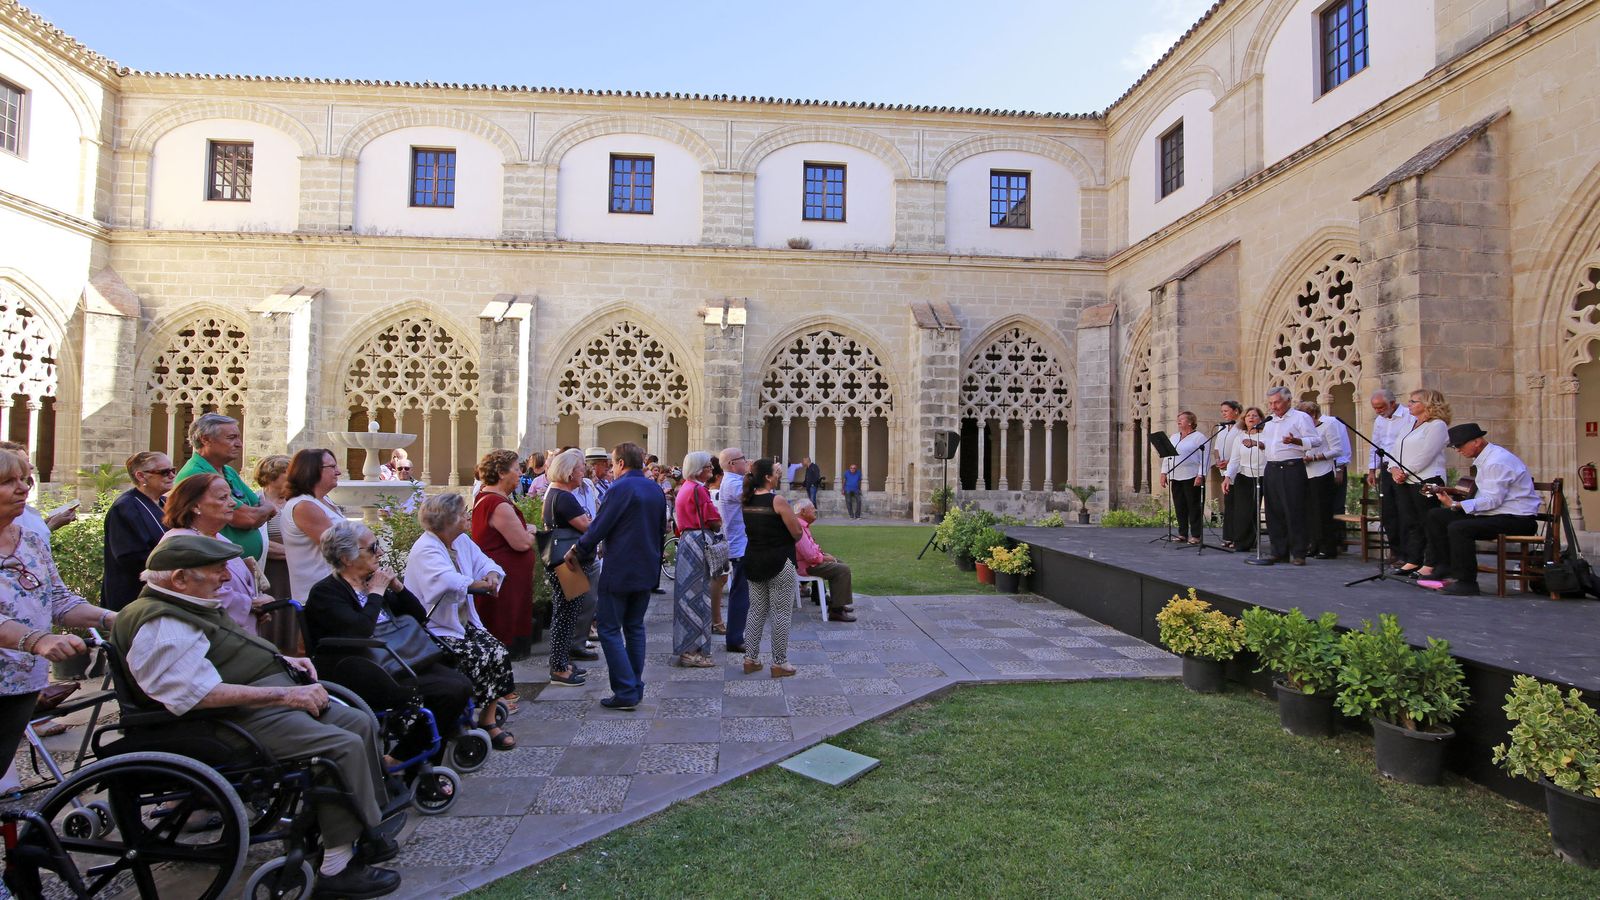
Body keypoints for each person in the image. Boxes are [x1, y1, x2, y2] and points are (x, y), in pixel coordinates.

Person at [113, 535, 400, 898]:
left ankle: (361, 826)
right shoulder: (162, 623)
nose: (224, 577)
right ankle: (337, 867)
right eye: (216, 569)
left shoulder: (190, 603)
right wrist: (283, 693)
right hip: (227, 720)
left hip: (255, 703)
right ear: (180, 578)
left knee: (358, 722)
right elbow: (193, 694)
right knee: (338, 745)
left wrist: (284, 662)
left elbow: (233, 651)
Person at [304, 521, 474, 766]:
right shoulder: (327, 593)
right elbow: (360, 631)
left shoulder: (371, 581)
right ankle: (412, 762)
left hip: (396, 659)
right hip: (364, 668)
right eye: (373, 548)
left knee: (461, 682)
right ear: (347, 558)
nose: (380, 553)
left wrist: (398, 587)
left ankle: (412, 758)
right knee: (450, 691)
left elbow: (418, 616)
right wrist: (376, 593)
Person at [0, 449, 110, 775]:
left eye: (24, 480)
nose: (22, 488)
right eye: (8, 482)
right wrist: (36, 640)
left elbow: (59, 600)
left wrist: (113, 619)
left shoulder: (31, 540)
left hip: (23, 683)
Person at [405, 493, 516, 749]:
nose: (467, 516)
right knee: (475, 657)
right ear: (448, 519)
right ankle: (458, 717)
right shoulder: (426, 548)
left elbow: (485, 562)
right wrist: (481, 586)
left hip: (463, 624)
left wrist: (491, 575)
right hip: (436, 628)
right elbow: (446, 581)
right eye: (462, 512)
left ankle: (488, 720)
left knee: (497, 652)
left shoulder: (462, 542)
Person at [565, 443, 665, 711]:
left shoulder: (619, 488)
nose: (611, 467)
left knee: (609, 628)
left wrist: (579, 548)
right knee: (634, 627)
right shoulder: (654, 488)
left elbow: (601, 525)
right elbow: (661, 529)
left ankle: (625, 690)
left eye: (612, 462)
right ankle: (635, 686)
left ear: (620, 463)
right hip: (646, 567)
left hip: (621, 567)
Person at [1418, 424, 1542, 596]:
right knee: (1436, 516)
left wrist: (1456, 505)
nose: (1458, 450)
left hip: (1517, 519)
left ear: (1476, 441)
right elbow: (1484, 496)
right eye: (1455, 447)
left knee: (1460, 528)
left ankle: (1466, 582)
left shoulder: (1497, 461)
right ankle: (1445, 566)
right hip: (1494, 515)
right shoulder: (1486, 459)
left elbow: (1493, 500)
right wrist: (1449, 497)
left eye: (1460, 445)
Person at [162, 473, 274, 635]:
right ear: (195, 506)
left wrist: (258, 607)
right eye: (223, 498)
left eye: (230, 496)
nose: (232, 503)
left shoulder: (217, 537)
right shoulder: (182, 543)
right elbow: (201, 593)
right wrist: (251, 604)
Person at [172, 412, 275, 563]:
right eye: (231, 438)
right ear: (206, 439)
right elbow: (249, 518)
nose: (239, 444)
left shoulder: (228, 471)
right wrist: (263, 509)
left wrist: (260, 510)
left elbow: (260, 510)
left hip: (238, 564)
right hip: (216, 563)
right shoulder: (197, 474)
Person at [470, 450, 537, 658]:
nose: (520, 474)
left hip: (507, 578)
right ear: (501, 472)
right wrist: (531, 531)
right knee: (504, 627)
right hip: (505, 580)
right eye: (516, 469)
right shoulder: (496, 504)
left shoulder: (490, 499)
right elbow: (522, 543)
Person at [740, 457, 803, 677]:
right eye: (776, 472)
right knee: (781, 613)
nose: (779, 476)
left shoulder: (746, 500)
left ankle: (750, 659)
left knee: (756, 610)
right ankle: (779, 662)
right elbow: (797, 532)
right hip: (778, 561)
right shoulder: (777, 501)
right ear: (767, 477)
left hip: (753, 559)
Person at [541, 449, 597, 687]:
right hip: (566, 562)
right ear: (569, 471)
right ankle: (559, 668)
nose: (583, 472)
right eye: (580, 468)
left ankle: (563, 661)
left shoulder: (556, 493)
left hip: (563, 561)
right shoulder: (564, 497)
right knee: (565, 615)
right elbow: (587, 527)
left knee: (567, 613)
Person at [1389, 389, 1451, 578]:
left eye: (1414, 401)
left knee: (1428, 521)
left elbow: (1427, 453)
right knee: (1411, 521)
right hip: (1404, 480)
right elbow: (1394, 448)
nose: (1409, 404)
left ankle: (1430, 563)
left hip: (1426, 480)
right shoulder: (1410, 424)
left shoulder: (1437, 426)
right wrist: (1393, 469)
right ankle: (1413, 559)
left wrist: (1405, 471)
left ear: (1429, 404)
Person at [102, 451, 174, 611]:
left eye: (172, 470)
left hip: (166, 592)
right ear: (141, 476)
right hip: (136, 596)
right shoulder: (125, 508)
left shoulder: (165, 502)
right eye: (164, 472)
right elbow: (129, 556)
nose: (171, 476)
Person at [672, 451, 724, 668]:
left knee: (688, 596)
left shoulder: (685, 487)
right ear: (699, 469)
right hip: (697, 541)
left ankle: (690, 648)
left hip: (687, 541)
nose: (711, 471)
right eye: (708, 468)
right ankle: (691, 651)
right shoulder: (698, 490)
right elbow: (714, 519)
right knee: (697, 596)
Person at [1260, 386, 1323, 565]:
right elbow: (1270, 444)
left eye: (1277, 402)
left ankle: (1298, 553)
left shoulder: (1300, 418)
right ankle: (1279, 551)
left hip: (1291, 468)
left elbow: (1316, 440)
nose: (1274, 406)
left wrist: (1295, 441)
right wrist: (1257, 444)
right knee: (1274, 512)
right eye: (1271, 403)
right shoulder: (1270, 421)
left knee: (1294, 511)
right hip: (1271, 467)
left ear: (1288, 401)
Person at [280, 448, 345, 601]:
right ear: (312, 470)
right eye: (332, 467)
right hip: (321, 595)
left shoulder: (324, 500)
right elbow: (338, 547)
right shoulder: (304, 506)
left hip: (334, 590)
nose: (338, 472)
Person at [1367, 388, 1416, 563]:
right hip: (1387, 469)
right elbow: (1376, 445)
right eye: (1375, 408)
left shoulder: (1409, 417)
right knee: (1388, 512)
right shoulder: (1380, 421)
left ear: (1392, 404)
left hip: (1403, 469)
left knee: (1404, 511)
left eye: (1381, 407)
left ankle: (1408, 553)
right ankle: (1395, 550)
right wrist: (1372, 470)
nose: (1378, 411)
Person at [1299, 400, 1348, 560]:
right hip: (1307, 473)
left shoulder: (1328, 425)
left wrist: (1316, 456)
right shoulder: (1305, 430)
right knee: (1310, 512)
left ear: (1312, 414)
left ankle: (1327, 547)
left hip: (1323, 471)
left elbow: (1337, 449)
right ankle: (1313, 545)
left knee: (1323, 512)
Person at [793, 498, 856, 621]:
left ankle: (837, 603)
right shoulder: (799, 527)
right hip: (805, 567)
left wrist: (824, 555)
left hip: (807, 563)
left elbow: (811, 550)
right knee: (842, 570)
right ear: (803, 511)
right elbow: (811, 557)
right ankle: (836, 611)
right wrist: (825, 558)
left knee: (839, 563)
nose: (815, 511)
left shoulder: (801, 525)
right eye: (812, 509)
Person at [717, 447, 752, 655]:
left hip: (743, 544)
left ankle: (737, 635)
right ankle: (735, 638)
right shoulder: (732, 483)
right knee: (740, 594)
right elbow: (753, 497)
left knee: (743, 593)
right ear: (732, 464)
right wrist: (761, 475)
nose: (746, 462)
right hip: (740, 546)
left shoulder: (735, 481)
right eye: (743, 459)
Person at [1222, 407, 1267, 552]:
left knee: (1258, 510)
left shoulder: (1267, 434)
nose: (1251, 418)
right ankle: (1241, 541)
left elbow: (1270, 451)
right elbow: (1235, 459)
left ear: (1261, 419)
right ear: (1244, 419)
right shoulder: (1239, 436)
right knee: (1243, 510)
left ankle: (1254, 540)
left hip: (1264, 475)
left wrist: (1257, 444)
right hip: (1244, 475)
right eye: (1248, 415)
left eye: (1255, 415)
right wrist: (1228, 477)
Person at [1160, 411, 1207, 545]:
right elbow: (1167, 456)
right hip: (1175, 475)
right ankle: (1182, 533)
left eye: (1181, 419)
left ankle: (1196, 535)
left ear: (1190, 422)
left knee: (1193, 506)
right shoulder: (1174, 437)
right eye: (1178, 419)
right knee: (1179, 505)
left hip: (1191, 476)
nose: (1178, 422)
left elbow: (1205, 457)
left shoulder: (1199, 437)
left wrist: (1201, 474)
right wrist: (1164, 473)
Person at [254, 454, 294, 603]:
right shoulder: (256, 502)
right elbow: (258, 539)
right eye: (287, 472)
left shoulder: (297, 501)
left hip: (297, 569)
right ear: (271, 476)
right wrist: (295, 552)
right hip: (270, 569)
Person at [1213, 401, 1243, 548]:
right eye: (1222, 411)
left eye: (1226, 410)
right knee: (1229, 504)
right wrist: (1218, 460)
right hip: (1224, 470)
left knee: (1238, 505)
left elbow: (1241, 449)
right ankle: (1228, 536)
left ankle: (1238, 537)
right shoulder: (1222, 427)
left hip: (1238, 470)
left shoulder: (1241, 427)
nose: (1223, 413)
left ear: (1236, 411)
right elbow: (1217, 447)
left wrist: (1230, 461)